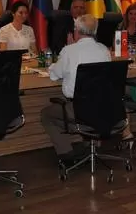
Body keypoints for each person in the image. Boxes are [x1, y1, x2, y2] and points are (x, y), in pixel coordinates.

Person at [40, 14, 111, 163]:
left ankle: (66, 153)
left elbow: (54, 75)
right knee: (83, 112)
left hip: (79, 109)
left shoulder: (69, 51)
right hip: (103, 108)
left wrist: (67, 50)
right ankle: (91, 144)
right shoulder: (104, 50)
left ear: (76, 31)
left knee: (46, 114)